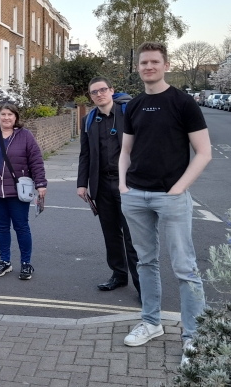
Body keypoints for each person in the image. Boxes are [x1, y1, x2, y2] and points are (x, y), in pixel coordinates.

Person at [118, 41, 212, 367]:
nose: (148, 67)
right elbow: (126, 151)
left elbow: (204, 152)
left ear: (165, 65)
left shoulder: (183, 103)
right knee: (145, 262)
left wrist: (179, 189)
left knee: (185, 269)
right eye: (144, 62)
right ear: (139, 67)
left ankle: (195, 338)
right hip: (136, 195)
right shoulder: (134, 105)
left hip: (171, 197)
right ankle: (151, 322)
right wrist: (122, 185)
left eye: (154, 62)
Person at [77, 77, 140, 297]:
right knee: (111, 234)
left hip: (128, 184)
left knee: (133, 237)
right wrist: (81, 184)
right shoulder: (88, 120)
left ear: (112, 90)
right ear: (91, 96)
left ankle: (142, 285)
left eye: (103, 90)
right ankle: (119, 275)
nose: (99, 94)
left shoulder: (128, 113)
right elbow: (85, 154)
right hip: (101, 184)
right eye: (94, 92)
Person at [0, 102, 47, 281]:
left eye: (10, 115)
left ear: (16, 117)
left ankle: (26, 264)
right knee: (2, 228)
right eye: (3, 114)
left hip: (18, 190)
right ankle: (5, 261)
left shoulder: (25, 136)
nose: (6, 118)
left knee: (21, 227)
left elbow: (36, 161)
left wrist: (41, 184)